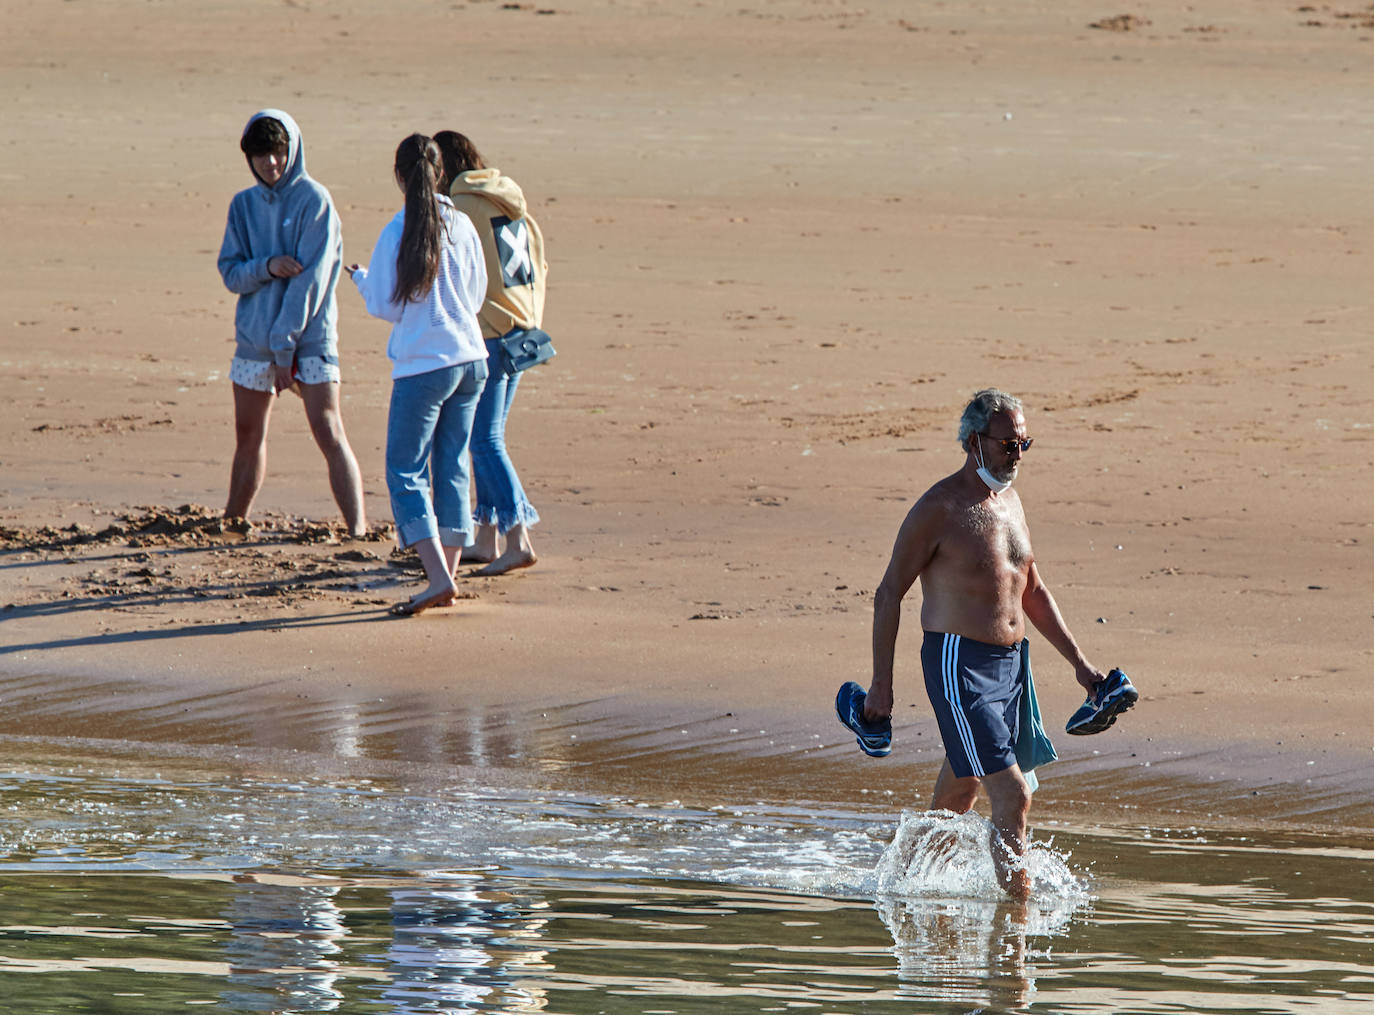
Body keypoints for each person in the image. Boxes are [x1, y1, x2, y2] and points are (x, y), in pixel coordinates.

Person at [863, 388, 1109, 899]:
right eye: (1006, 444)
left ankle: (896, 887)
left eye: (1023, 444)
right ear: (974, 442)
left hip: (1011, 668)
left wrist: (1081, 667)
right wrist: (880, 690)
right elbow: (888, 594)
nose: (1015, 455)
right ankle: (1016, 926)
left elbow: (1033, 590)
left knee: (960, 791)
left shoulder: (1012, 502)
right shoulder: (939, 508)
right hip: (960, 667)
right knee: (1013, 794)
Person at [348, 134, 489, 616]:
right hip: (470, 359)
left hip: (426, 365)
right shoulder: (462, 223)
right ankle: (442, 577)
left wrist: (361, 279)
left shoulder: (399, 227)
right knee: (450, 466)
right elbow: (474, 295)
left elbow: (386, 304)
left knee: (405, 470)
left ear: (400, 177)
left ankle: (438, 577)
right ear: (440, 173)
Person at [217, 109, 366, 536]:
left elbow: (313, 282)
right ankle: (232, 521)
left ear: (292, 149)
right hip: (255, 340)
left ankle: (357, 528)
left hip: (310, 338)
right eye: (262, 156)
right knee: (248, 436)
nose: (271, 164)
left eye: (278, 153)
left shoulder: (314, 201)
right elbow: (231, 272)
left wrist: (287, 349)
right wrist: (266, 265)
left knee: (328, 430)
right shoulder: (242, 205)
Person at [434, 130, 547, 576]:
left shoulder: (461, 209)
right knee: (487, 435)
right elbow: (538, 268)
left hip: (493, 334)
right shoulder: (512, 205)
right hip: (523, 329)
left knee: (483, 439)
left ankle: (519, 537)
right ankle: (487, 536)